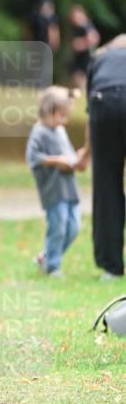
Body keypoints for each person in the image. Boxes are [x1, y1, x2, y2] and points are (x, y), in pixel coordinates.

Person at [77, 35, 126, 280]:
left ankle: (111, 267)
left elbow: (90, 116)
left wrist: (86, 153)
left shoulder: (99, 59)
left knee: (107, 185)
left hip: (103, 103)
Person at [25, 86, 87, 276]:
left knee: (74, 227)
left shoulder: (59, 130)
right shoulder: (39, 132)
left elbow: (66, 153)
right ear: (48, 112)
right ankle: (53, 266)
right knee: (58, 228)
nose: (64, 121)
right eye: (61, 116)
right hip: (53, 191)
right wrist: (56, 161)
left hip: (69, 189)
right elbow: (32, 157)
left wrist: (76, 158)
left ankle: (46, 256)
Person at [69, 4, 100, 92]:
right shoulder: (77, 26)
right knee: (77, 77)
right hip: (80, 56)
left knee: (81, 77)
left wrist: (81, 44)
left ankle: (83, 92)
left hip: (86, 56)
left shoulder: (86, 25)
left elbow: (94, 38)